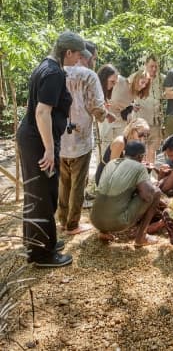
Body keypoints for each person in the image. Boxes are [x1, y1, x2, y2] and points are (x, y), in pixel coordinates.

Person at [17, 31, 86, 267]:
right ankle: (42, 254)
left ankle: (38, 242)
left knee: (37, 192)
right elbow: (42, 111)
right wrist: (48, 149)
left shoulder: (46, 65)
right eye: (77, 55)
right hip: (38, 141)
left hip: (33, 137)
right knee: (43, 195)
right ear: (68, 52)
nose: (79, 59)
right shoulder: (54, 72)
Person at [58, 41, 109, 235]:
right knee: (78, 183)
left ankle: (62, 220)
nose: (95, 62)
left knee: (63, 182)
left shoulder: (59, 71)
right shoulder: (89, 75)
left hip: (60, 137)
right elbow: (96, 107)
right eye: (94, 58)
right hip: (80, 138)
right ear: (86, 56)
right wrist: (104, 114)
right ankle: (73, 224)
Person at [90, 141, 161, 246]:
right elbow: (148, 195)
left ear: (124, 152)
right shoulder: (139, 167)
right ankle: (141, 237)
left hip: (95, 220)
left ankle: (103, 232)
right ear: (140, 156)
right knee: (156, 192)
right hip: (118, 223)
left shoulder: (111, 163)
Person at [97, 66, 151, 153]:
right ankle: (103, 166)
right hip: (107, 117)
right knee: (104, 147)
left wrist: (131, 106)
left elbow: (123, 101)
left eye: (146, 84)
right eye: (142, 82)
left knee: (119, 147)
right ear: (136, 79)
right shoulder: (120, 81)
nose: (143, 86)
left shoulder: (136, 92)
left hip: (120, 120)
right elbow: (104, 85)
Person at [95, 118, 150, 186]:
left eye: (146, 136)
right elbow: (112, 169)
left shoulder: (136, 144)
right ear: (133, 130)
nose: (143, 138)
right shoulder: (120, 142)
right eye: (141, 134)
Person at [133, 55, 165, 164]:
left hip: (156, 122)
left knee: (152, 150)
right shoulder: (137, 76)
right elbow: (127, 91)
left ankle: (150, 174)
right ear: (146, 65)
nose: (154, 69)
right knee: (140, 150)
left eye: (156, 66)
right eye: (151, 66)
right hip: (141, 120)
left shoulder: (162, 79)